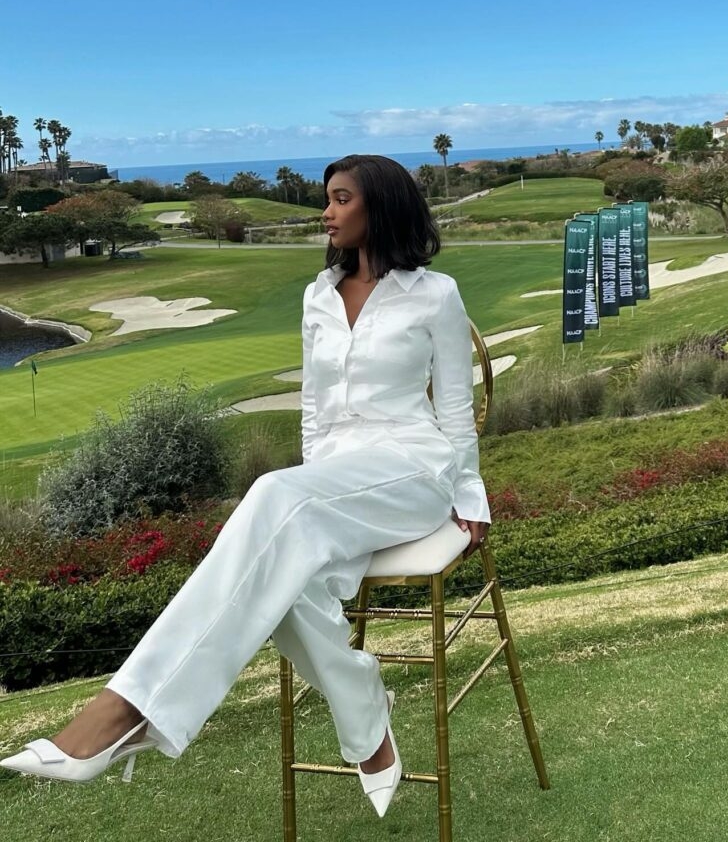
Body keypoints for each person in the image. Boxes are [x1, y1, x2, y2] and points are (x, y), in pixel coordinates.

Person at [1, 154, 491, 818]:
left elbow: (456, 409)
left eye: (340, 198)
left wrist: (469, 497)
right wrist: (313, 480)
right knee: (287, 573)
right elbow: (315, 411)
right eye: (328, 198)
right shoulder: (317, 294)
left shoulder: (436, 293)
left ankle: (126, 711)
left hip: (413, 467)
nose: (326, 211)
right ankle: (365, 716)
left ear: (380, 205)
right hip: (333, 479)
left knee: (271, 497)